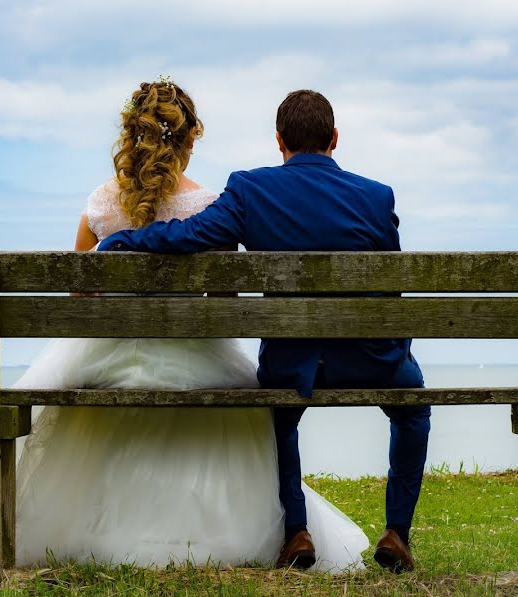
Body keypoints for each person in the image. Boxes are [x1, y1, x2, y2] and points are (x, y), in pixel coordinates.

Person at [0, 77, 368, 572]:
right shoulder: (209, 205)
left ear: (132, 136)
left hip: (100, 363)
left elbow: (78, 298)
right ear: (189, 140)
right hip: (192, 360)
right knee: (251, 403)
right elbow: (225, 303)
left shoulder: (99, 206)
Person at [98, 89, 431, 572]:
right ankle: (397, 533)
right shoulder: (376, 198)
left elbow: (188, 236)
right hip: (370, 359)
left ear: (279, 141)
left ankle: (296, 531)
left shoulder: (250, 191)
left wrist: (122, 239)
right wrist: (394, 351)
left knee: (281, 413)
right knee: (412, 409)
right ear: (335, 139)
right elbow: (390, 293)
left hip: (290, 365)